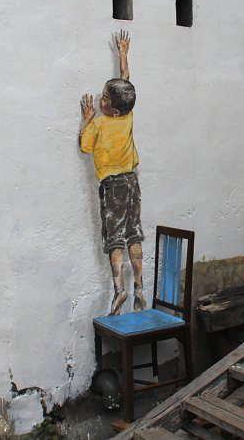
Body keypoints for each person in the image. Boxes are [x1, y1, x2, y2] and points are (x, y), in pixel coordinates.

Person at [80, 30, 146, 315]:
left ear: (113, 110)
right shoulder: (128, 115)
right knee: (134, 234)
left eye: (104, 99)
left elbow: (85, 147)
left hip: (112, 186)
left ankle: (120, 291)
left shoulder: (99, 125)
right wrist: (122, 54)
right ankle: (140, 288)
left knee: (114, 238)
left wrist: (86, 120)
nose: (99, 100)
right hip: (132, 181)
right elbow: (126, 81)